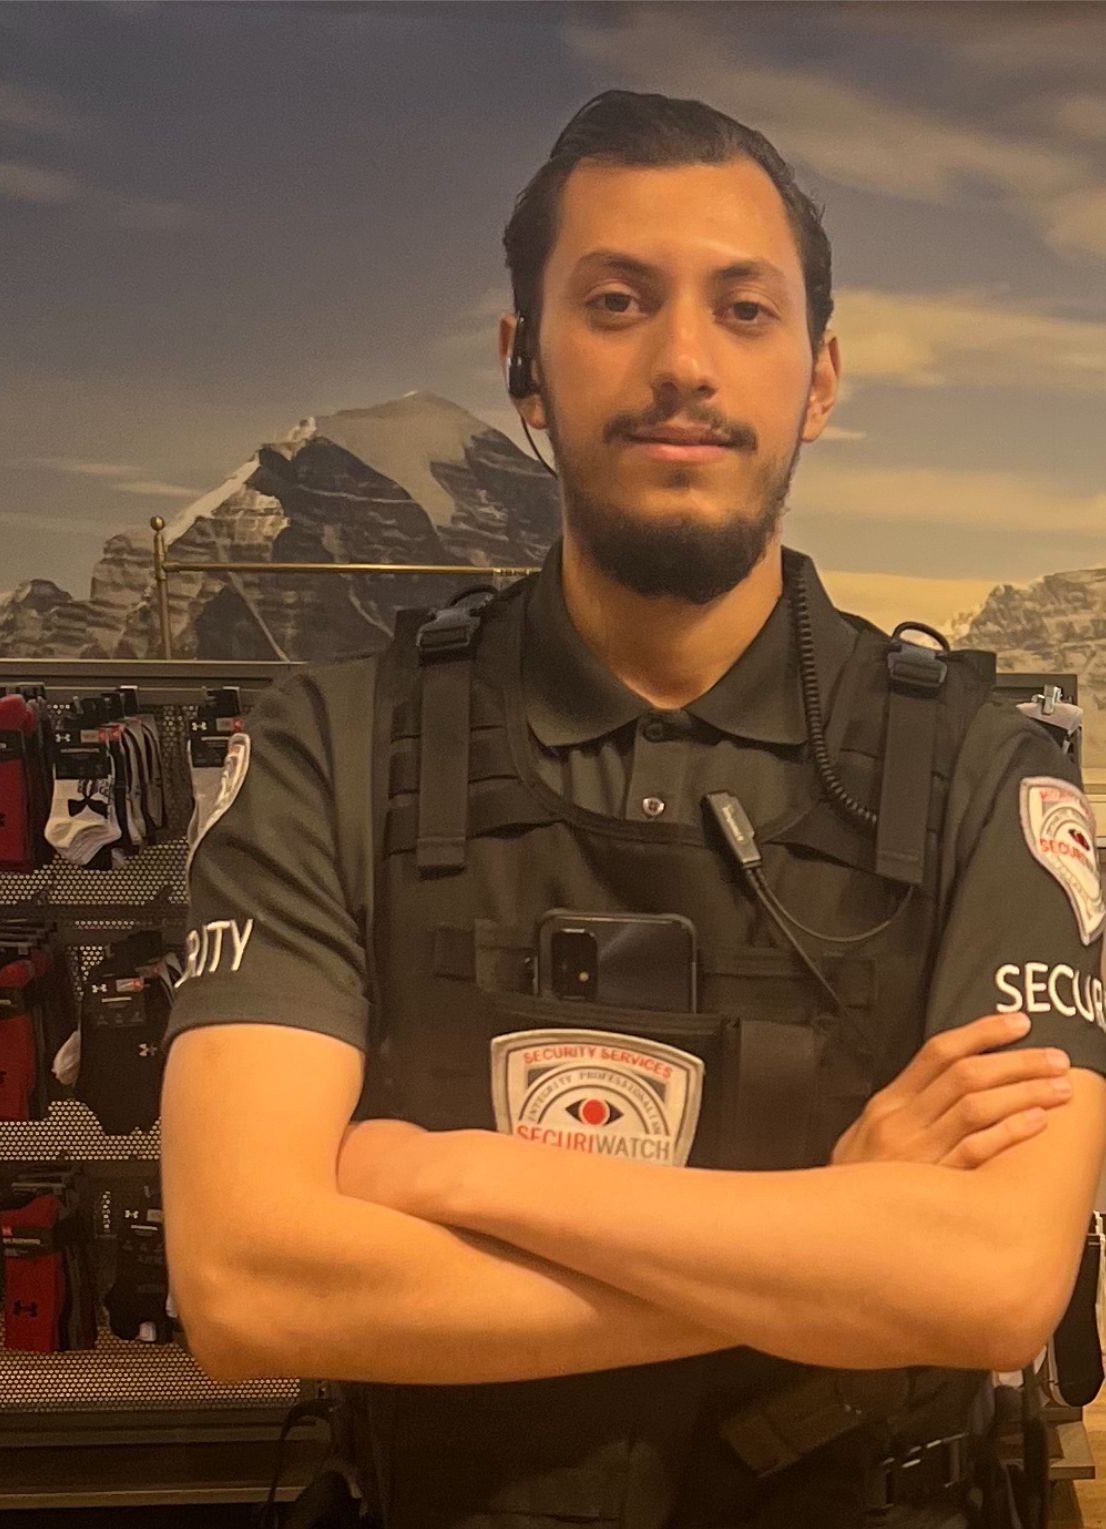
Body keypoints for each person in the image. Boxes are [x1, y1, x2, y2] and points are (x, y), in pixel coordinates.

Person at [159, 91, 1106, 1528]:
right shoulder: (332, 747)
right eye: (613, 301)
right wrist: (836, 1242)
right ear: (522, 366)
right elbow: (244, 1283)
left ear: (819, 376)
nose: (680, 363)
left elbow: (989, 1283)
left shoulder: (987, 772)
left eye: (742, 310)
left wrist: (448, 1172)